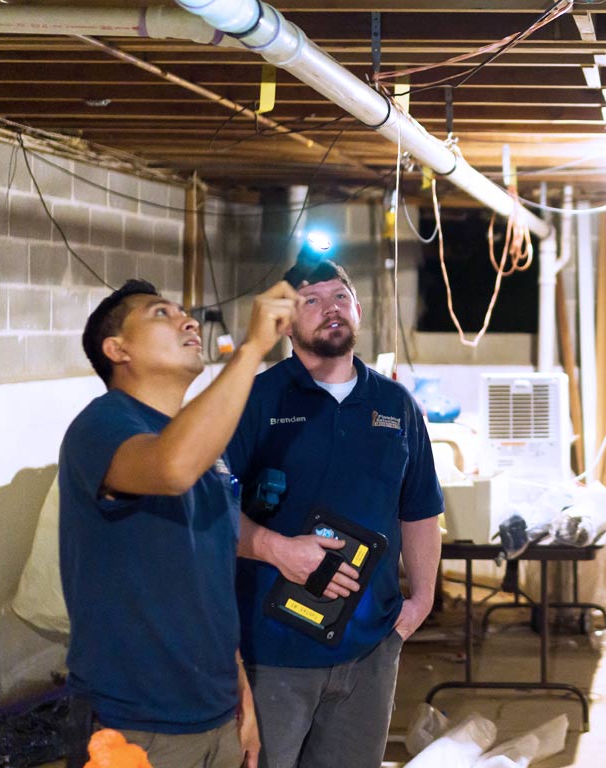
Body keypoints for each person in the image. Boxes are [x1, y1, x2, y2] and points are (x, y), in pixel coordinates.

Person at [59, 278, 300, 768]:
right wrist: (253, 348)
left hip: (215, 719)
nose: (188, 321)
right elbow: (169, 468)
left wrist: (241, 695)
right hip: (132, 726)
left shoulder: (204, 451)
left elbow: (208, 582)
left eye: (184, 312)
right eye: (161, 314)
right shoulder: (102, 425)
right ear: (117, 349)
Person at [228, 259, 443, 768]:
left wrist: (422, 602)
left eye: (340, 297)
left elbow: (419, 510)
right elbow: (207, 510)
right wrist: (277, 549)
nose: (331, 309)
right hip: (272, 650)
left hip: (371, 647)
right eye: (312, 300)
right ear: (287, 322)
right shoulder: (254, 399)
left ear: (359, 311)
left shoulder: (395, 405)